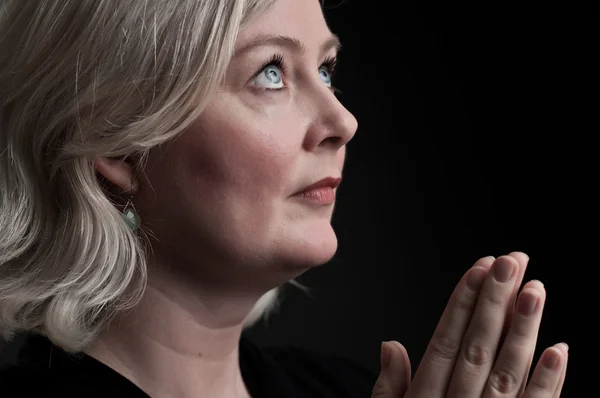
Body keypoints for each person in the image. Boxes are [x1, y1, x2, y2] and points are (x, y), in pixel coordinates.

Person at [0, 0, 568, 397]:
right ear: (121, 143)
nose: (342, 121)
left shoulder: (354, 390)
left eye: (326, 68)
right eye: (271, 72)